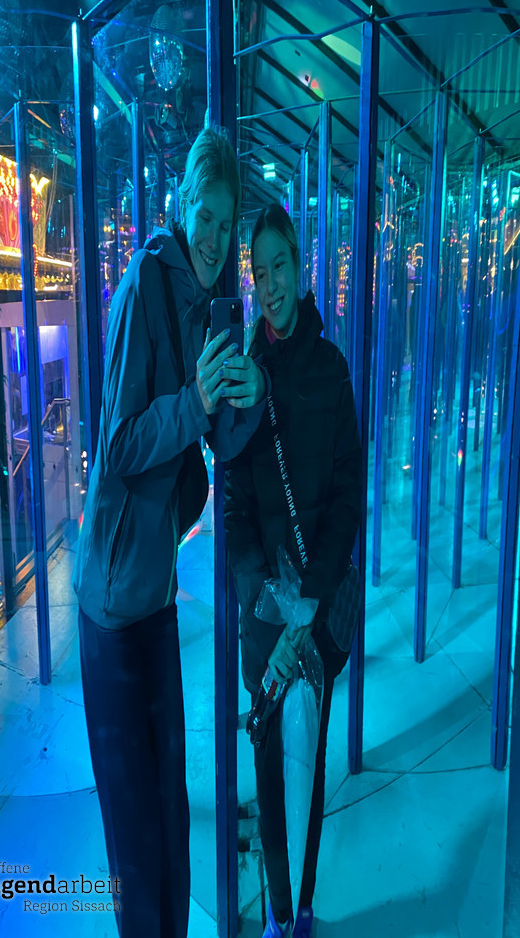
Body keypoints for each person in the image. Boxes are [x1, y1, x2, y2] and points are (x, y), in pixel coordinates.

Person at [73, 125, 268, 938]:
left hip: (154, 598)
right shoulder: (143, 288)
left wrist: (245, 391)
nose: (215, 239)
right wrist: (197, 398)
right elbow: (117, 444)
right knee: (136, 841)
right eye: (205, 217)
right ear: (183, 205)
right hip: (112, 606)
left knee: (171, 824)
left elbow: (218, 441)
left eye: (227, 224)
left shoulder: (209, 307)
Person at [225, 204, 362, 938]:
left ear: (300, 268)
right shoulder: (245, 375)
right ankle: (279, 911)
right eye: (260, 272)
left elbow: (347, 494)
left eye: (280, 265)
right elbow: (235, 510)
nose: (271, 284)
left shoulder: (330, 368)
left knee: (308, 764)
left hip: (317, 608)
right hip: (267, 624)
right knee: (270, 762)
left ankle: (301, 905)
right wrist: (268, 604)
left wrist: (308, 603)